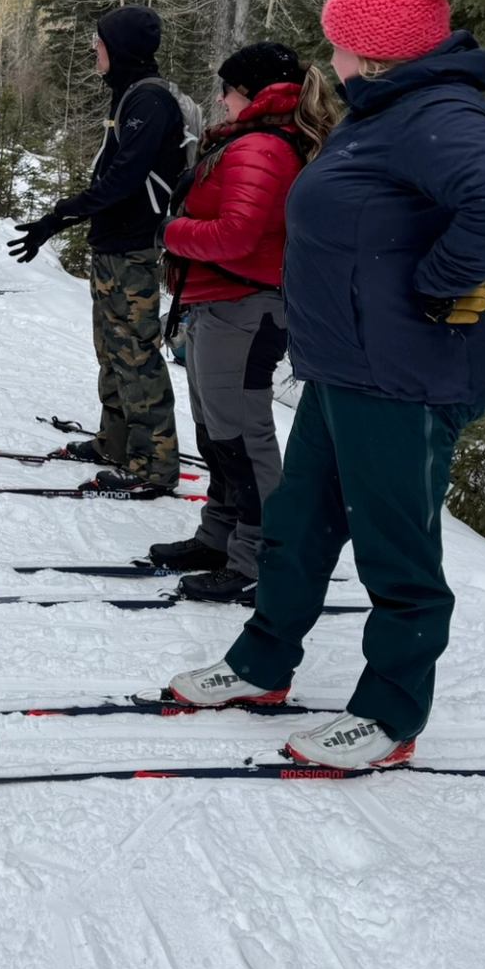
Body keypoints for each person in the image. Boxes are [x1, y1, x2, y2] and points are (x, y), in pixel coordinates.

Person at [165, 0, 485, 770]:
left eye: (337, 41)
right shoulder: (385, 113)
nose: (327, 56)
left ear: (373, 51)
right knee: (298, 528)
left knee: (397, 552)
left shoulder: (438, 113)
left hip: (404, 378)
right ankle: (262, 665)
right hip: (345, 369)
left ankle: (391, 715)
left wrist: (438, 283)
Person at [150, 43, 339, 601]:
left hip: (244, 307)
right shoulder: (255, 140)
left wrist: (170, 232)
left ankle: (260, 556)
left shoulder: (261, 146)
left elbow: (237, 234)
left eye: (226, 89)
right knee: (217, 433)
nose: (220, 99)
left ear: (251, 93)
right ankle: (221, 536)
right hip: (225, 303)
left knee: (242, 435)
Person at [8, 6, 191, 497]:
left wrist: (58, 216)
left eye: (101, 42)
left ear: (122, 47)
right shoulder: (130, 95)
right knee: (111, 352)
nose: (94, 50)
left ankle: (154, 465)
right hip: (112, 244)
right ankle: (117, 442)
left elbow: (122, 181)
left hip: (132, 248)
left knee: (135, 355)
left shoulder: (149, 101)